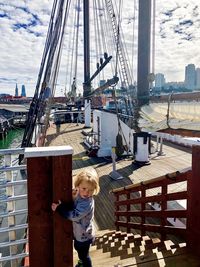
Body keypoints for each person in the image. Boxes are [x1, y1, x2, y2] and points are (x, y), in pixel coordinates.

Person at [51, 167, 100, 267]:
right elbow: (76, 200)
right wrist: (73, 196)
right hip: (80, 233)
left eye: (90, 190)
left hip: (84, 236)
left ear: (95, 189)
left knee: (84, 255)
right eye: (84, 188)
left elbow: (73, 216)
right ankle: (81, 262)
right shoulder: (80, 194)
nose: (86, 193)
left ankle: (85, 265)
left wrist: (60, 208)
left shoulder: (87, 203)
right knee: (78, 248)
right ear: (78, 186)